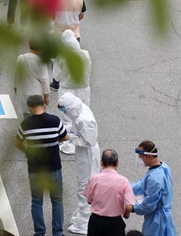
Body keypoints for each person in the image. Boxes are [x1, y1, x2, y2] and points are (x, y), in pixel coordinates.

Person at [15, 94, 69, 236]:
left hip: (35, 169)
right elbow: (64, 136)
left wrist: (27, 151)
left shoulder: (25, 125)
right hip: (54, 168)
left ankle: (39, 232)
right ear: (44, 105)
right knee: (57, 201)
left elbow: (18, 142)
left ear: (30, 108)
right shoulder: (55, 121)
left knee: (37, 201)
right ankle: (57, 232)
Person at [58, 92, 100, 234]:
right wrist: (67, 131)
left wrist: (69, 138)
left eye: (65, 110)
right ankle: (83, 214)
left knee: (85, 186)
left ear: (71, 107)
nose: (65, 113)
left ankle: (85, 221)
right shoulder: (79, 111)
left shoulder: (84, 119)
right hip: (84, 154)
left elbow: (89, 141)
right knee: (83, 185)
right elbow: (76, 129)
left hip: (88, 154)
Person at [126, 141, 177, 236]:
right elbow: (143, 184)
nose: (140, 159)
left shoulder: (155, 179)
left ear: (149, 156)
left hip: (157, 222)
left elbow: (148, 206)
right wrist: (124, 185)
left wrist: (132, 208)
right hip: (165, 217)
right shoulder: (163, 167)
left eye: (141, 156)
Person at [82, 149, 136, 236]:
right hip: (115, 223)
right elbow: (129, 206)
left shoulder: (94, 179)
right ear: (117, 163)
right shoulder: (123, 181)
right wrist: (126, 214)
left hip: (96, 221)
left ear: (101, 163)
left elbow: (89, 200)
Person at [51, 0, 87, 91]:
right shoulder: (80, 0)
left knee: (57, 60)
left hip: (58, 34)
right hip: (74, 34)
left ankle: (56, 83)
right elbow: (81, 16)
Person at [14, 40, 50, 119]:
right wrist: (46, 96)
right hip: (37, 94)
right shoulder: (41, 61)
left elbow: (17, 75)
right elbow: (45, 80)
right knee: (38, 116)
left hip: (23, 93)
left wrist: (16, 89)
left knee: (26, 116)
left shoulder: (21, 58)